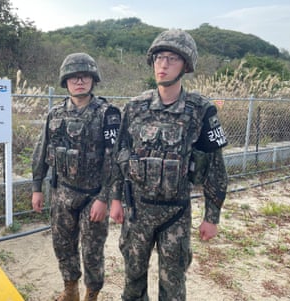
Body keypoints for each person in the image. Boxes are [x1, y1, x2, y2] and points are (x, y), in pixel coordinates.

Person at [109, 29, 228, 300]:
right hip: (137, 211)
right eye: (159, 58)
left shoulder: (201, 110)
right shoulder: (134, 107)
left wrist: (212, 217)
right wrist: (115, 199)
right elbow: (118, 156)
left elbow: (215, 168)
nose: (162, 65)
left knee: (173, 285)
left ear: (186, 65)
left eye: (172, 59)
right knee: (133, 280)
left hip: (175, 213)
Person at [32, 52, 121, 301]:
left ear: (93, 79)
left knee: (92, 251)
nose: (79, 81)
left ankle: (91, 295)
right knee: (63, 246)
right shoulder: (55, 114)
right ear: (65, 81)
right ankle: (70, 290)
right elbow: (41, 152)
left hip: (93, 196)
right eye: (73, 77)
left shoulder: (108, 114)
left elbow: (114, 160)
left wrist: (104, 198)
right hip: (62, 193)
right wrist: (36, 187)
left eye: (84, 77)